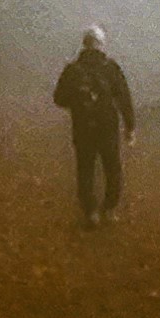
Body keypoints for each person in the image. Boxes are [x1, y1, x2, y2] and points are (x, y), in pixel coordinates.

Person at [50, 26, 135, 227]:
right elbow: (124, 98)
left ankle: (91, 211)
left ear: (84, 44)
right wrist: (130, 126)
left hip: (82, 126)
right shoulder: (111, 68)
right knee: (112, 167)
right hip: (108, 126)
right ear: (101, 44)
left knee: (85, 168)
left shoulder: (72, 70)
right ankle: (109, 208)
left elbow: (59, 99)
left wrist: (78, 102)